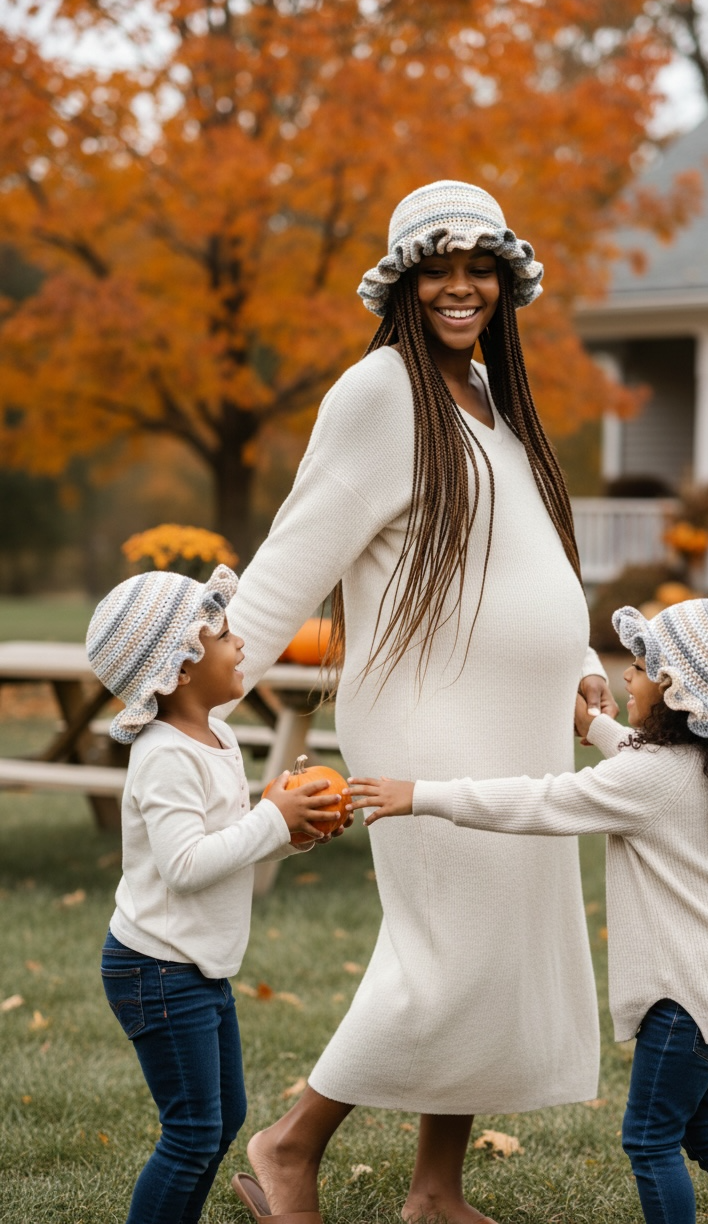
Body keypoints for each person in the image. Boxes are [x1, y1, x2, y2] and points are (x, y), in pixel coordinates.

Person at [222, 178, 617, 1224]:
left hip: (519, 721)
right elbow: (293, 555)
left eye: (477, 268)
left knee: (497, 948)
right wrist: (201, 691)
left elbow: (524, 552)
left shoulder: (492, 395)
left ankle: (434, 1191)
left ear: (503, 280)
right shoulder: (378, 391)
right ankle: (285, 1145)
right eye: (435, 269)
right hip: (427, 709)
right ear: (401, 284)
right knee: (452, 949)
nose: (459, 288)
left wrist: (575, 651)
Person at [355, 598, 708, 1224]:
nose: (626, 676)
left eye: (640, 666)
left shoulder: (647, 780)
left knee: (651, 1140)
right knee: (706, 1129)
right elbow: (645, 762)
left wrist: (420, 794)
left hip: (687, 1000)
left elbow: (539, 801)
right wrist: (596, 728)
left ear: (674, 690)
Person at [86, 567, 343, 1224]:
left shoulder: (220, 736)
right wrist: (271, 818)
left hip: (195, 966)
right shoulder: (166, 755)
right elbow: (185, 865)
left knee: (221, 1119)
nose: (239, 644)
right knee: (193, 1131)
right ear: (180, 664)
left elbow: (232, 838)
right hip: (157, 970)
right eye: (223, 633)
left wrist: (292, 833)